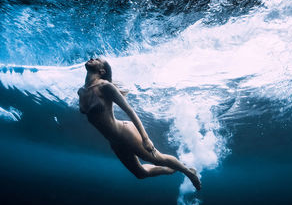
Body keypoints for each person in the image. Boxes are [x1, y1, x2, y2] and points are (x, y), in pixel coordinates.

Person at [78, 58, 201, 190]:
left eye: (98, 59)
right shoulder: (81, 91)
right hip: (114, 141)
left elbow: (130, 111)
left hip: (124, 132)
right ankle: (170, 169)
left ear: (102, 71)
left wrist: (146, 138)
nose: (93, 58)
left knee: (157, 158)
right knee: (140, 173)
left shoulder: (105, 87)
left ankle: (189, 172)